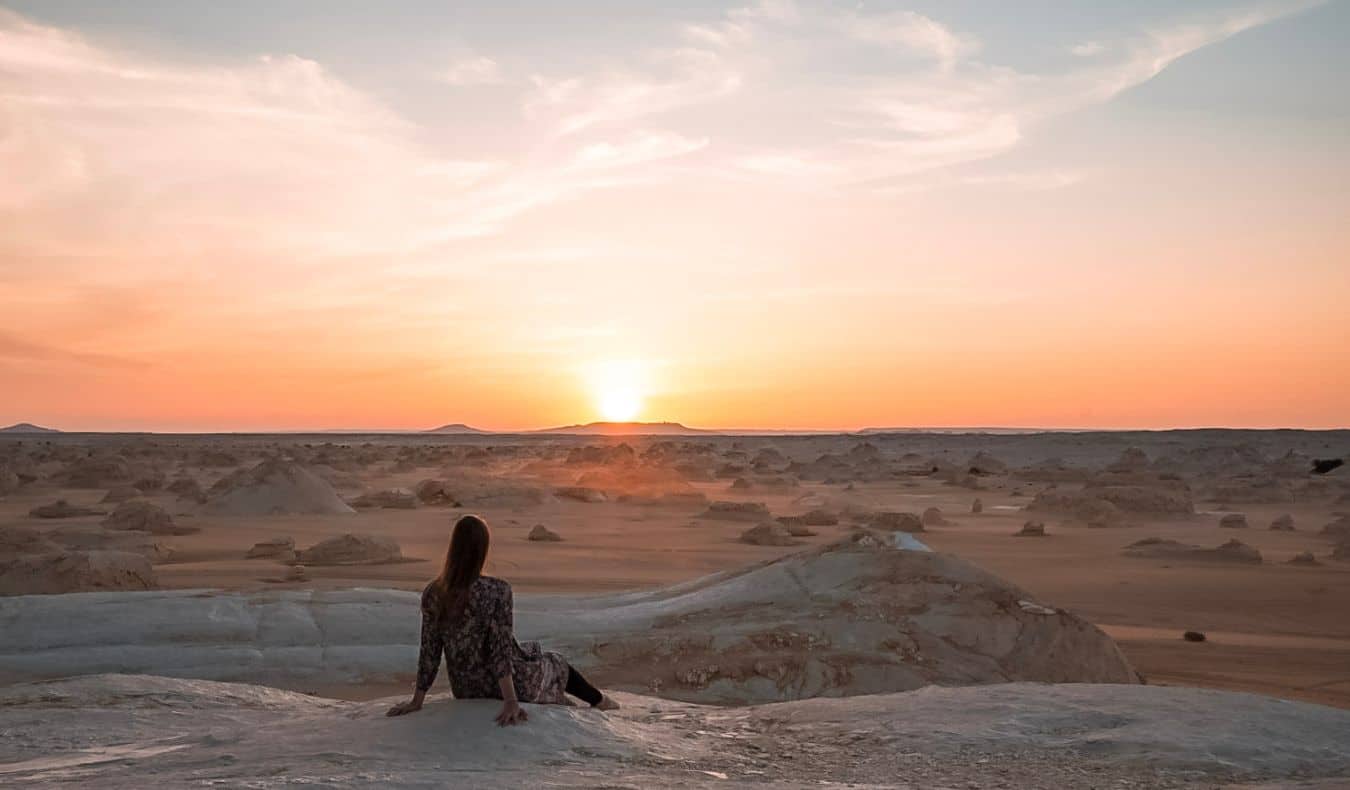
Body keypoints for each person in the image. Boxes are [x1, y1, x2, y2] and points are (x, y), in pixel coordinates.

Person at [387, 514, 618, 725]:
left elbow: (430, 650)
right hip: (507, 686)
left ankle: (575, 700)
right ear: (483, 550)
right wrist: (510, 701)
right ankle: (600, 701)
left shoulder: (434, 592)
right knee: (556, 663)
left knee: (531, 653)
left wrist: (417, 700)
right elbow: (499, 649)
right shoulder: (497, 590)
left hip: (465, 687)